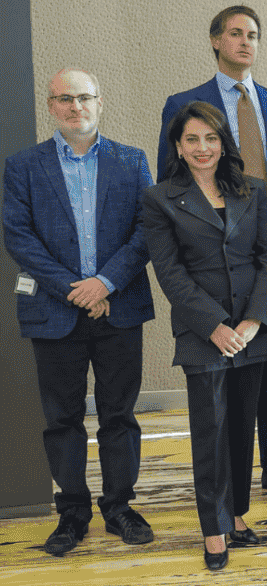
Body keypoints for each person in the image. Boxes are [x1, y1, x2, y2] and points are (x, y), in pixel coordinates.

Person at [2, 68, 155, 556]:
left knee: (119, 415)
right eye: (64, 99)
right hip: (54, 311)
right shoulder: (23, 166)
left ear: (99, 102)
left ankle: (119, 508)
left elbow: (146, 230)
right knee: (62, 419)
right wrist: (77, 289)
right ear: (51, 107)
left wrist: (105, 282)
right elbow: (19, 237)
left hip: (120, 307)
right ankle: (72, 513)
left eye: (83, 97)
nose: (75, 107)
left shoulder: (131, 162)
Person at [158, 5, 267, 501]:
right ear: (216, 40)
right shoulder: (184, 104)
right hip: (209, 260)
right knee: (219, 367)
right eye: (236, 33)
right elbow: (170, 184)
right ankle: (225, 475)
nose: (246, 41)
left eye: (254, 35)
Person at [142, 101, 267, 571]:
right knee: (212, 432)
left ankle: (237, 514)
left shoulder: (253, 190)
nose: (203, 148)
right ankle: (214, 528)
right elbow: (170, 273)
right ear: (178, 147)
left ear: (224, 144)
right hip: (204, 334)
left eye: (211, 139)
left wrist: (253, 321)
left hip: (251, 331)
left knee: (242, 429)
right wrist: (216, 326)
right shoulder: (159, 198)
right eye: (192, 140)